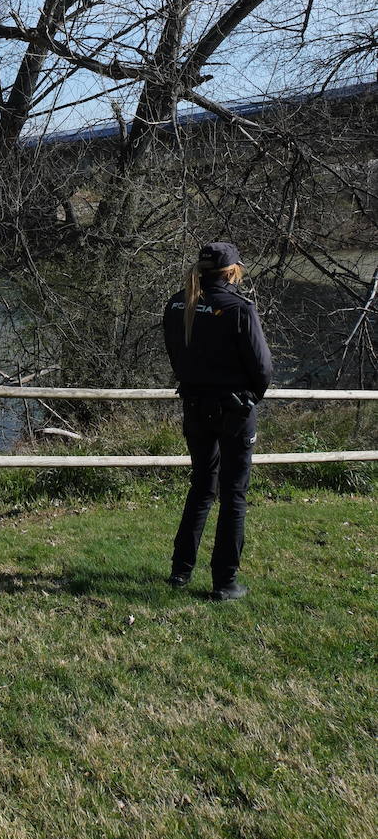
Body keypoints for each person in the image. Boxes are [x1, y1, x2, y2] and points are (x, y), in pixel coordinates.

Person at [162, 240, 272, 601]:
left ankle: (181, 571)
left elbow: (175, 356)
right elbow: (263, 368)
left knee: (202, 486)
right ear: (233, 271)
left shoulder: (178, 303)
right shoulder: (238, 308)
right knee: (233, 494)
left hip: (194, 407)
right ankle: (225, 581)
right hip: (233, 410)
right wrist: (249, 398)